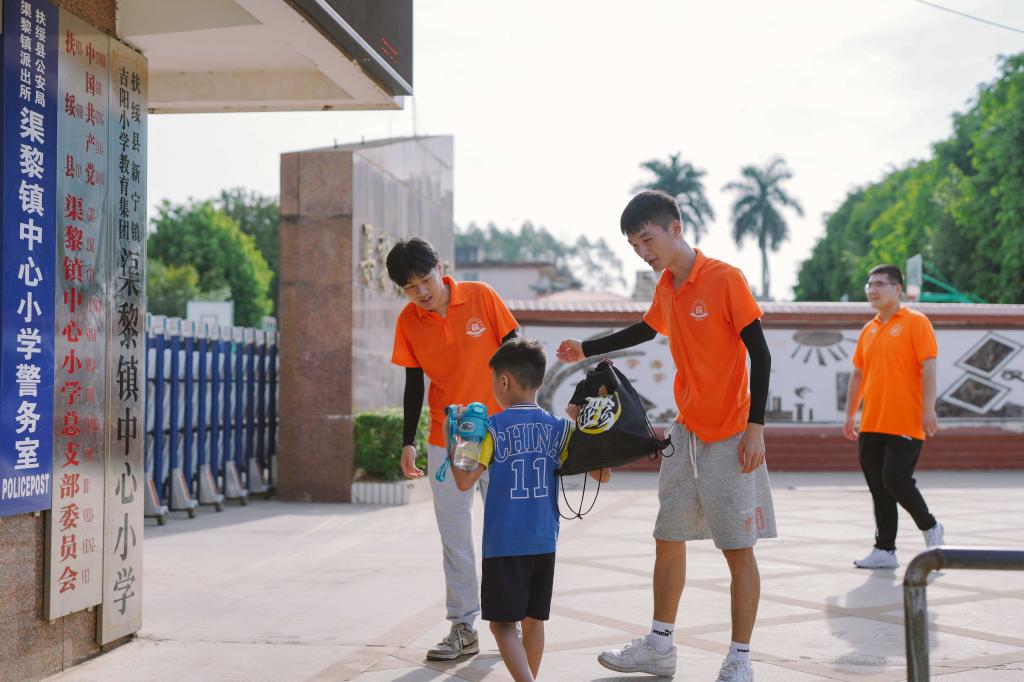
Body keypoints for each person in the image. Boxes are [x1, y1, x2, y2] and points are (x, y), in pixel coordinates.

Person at [556, 190, 776, 682]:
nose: (642, 251)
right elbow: (645, 329)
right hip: (686, 430)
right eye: (634, 245)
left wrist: (756, 428)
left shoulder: (725, 278)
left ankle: (740, 658)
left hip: (732, 433)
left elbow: (760, 355)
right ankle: (659, 647)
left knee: (737, 548)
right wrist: (586, 349)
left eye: (647, 239)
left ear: (675, 228)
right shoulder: (668, 287)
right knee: (667, 535)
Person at [388, 237, 519, 660]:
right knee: (455, 537)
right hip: (447, 438)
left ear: (440, 268)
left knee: (504, 530)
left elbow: (517, 352)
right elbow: (413, 384)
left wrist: (521, 415)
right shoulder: (408, 321)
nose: (421, 292)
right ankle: (463, 627)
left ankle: (509, 619)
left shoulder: (481, 296)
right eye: (410, 288)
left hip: (499, 432)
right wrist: (408, 441)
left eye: (425, 280)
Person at [449, 338, 603, 682]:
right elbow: (602, 474)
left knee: (501, 625)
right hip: (543, 540)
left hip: (504, 543)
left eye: (494, 381)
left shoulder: (492, 427)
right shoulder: (560, 428)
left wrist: (457, 436)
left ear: (504, 381)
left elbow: (463, 480)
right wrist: (586, 430)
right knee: (533, 620)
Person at [843, 264, 944, 569]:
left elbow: (929, 367)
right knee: (878, 486)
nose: (872, 290)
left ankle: (930, 527)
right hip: (872, 421)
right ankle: (884, 550)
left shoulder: (916, 322)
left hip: (906, 420)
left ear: (897, 289)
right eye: (869, 285)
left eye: (880, 284)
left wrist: (928, 408)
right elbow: (858, 375)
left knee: (895, 479)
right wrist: (849, 415)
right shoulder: (869, 329)